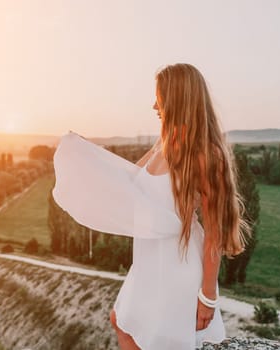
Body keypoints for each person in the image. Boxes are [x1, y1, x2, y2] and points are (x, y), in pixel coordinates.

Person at [52, 63, 249, 350]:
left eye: (159, 97)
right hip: (148, 260)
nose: (154, 105)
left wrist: (207, 296)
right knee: (123, 322)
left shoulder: (206, 155)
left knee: (160, 341)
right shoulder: (166, 141)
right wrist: (87, 156)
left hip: (177, 264)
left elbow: (214, 231)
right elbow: (130, 180)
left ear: (177, 98)